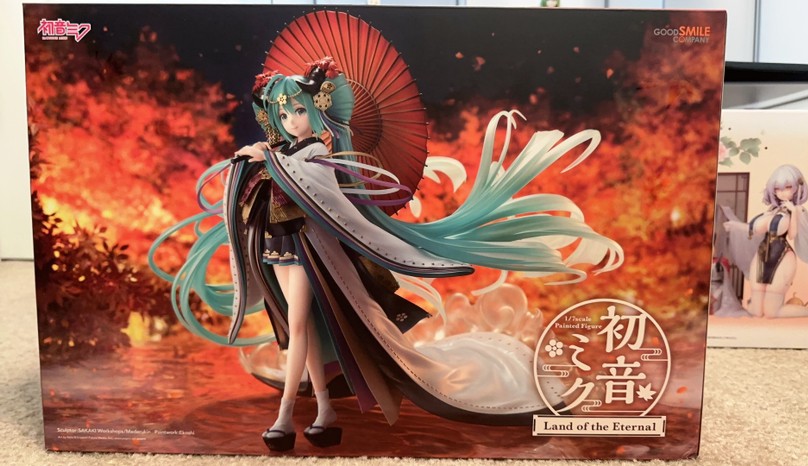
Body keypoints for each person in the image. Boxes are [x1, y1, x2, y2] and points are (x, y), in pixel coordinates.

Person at [150, 58, 623, 451]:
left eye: (298, 110)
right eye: (283, 113)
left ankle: (285, 416)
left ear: (314, 112)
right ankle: (326, 411)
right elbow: (267, 186)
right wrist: (257, 161)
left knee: (297, 328)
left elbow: (310, 186)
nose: (291, 119)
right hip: (283, 251)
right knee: (304, 329)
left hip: (315, 253)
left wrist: (267, 160)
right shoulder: (286, 151)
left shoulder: (317, 153)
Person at [722, 164, 808, 318]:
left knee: (772, 311)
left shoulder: (798, 210)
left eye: (787, 187)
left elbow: (792, 235)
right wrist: (734, 225)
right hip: (761, 254)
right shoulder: (772, 209)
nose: (782, 192)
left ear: (797, 188)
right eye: (777, 189)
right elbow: (755, 229)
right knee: (756, 311)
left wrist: (793, 212)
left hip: (782, 256)